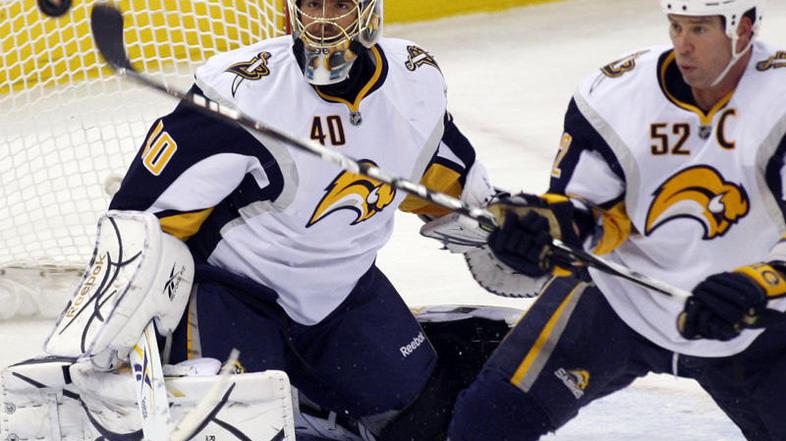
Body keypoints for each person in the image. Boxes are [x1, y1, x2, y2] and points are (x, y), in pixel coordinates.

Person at [106, 0, 496, 439]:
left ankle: (308, 402)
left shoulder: (414, 83)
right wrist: (114, 334)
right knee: (229, 426)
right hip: (235, 295)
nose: (324, 19)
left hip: (342, 295)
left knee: (428, 422)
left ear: (369, 12)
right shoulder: (245, 92)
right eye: (312, 3)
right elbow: (142, 217)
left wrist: (515, 230)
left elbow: (456, 191)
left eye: (341, 5)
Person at [448, 0, 786, 440]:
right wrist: (546, 231)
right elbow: (597, 215)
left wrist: (760, 284)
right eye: (676, 27)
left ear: (743, 31)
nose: (682, 46)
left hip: (747, 315)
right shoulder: (616, 94)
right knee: (487, 421)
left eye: (699, 30)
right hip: (620, 295)